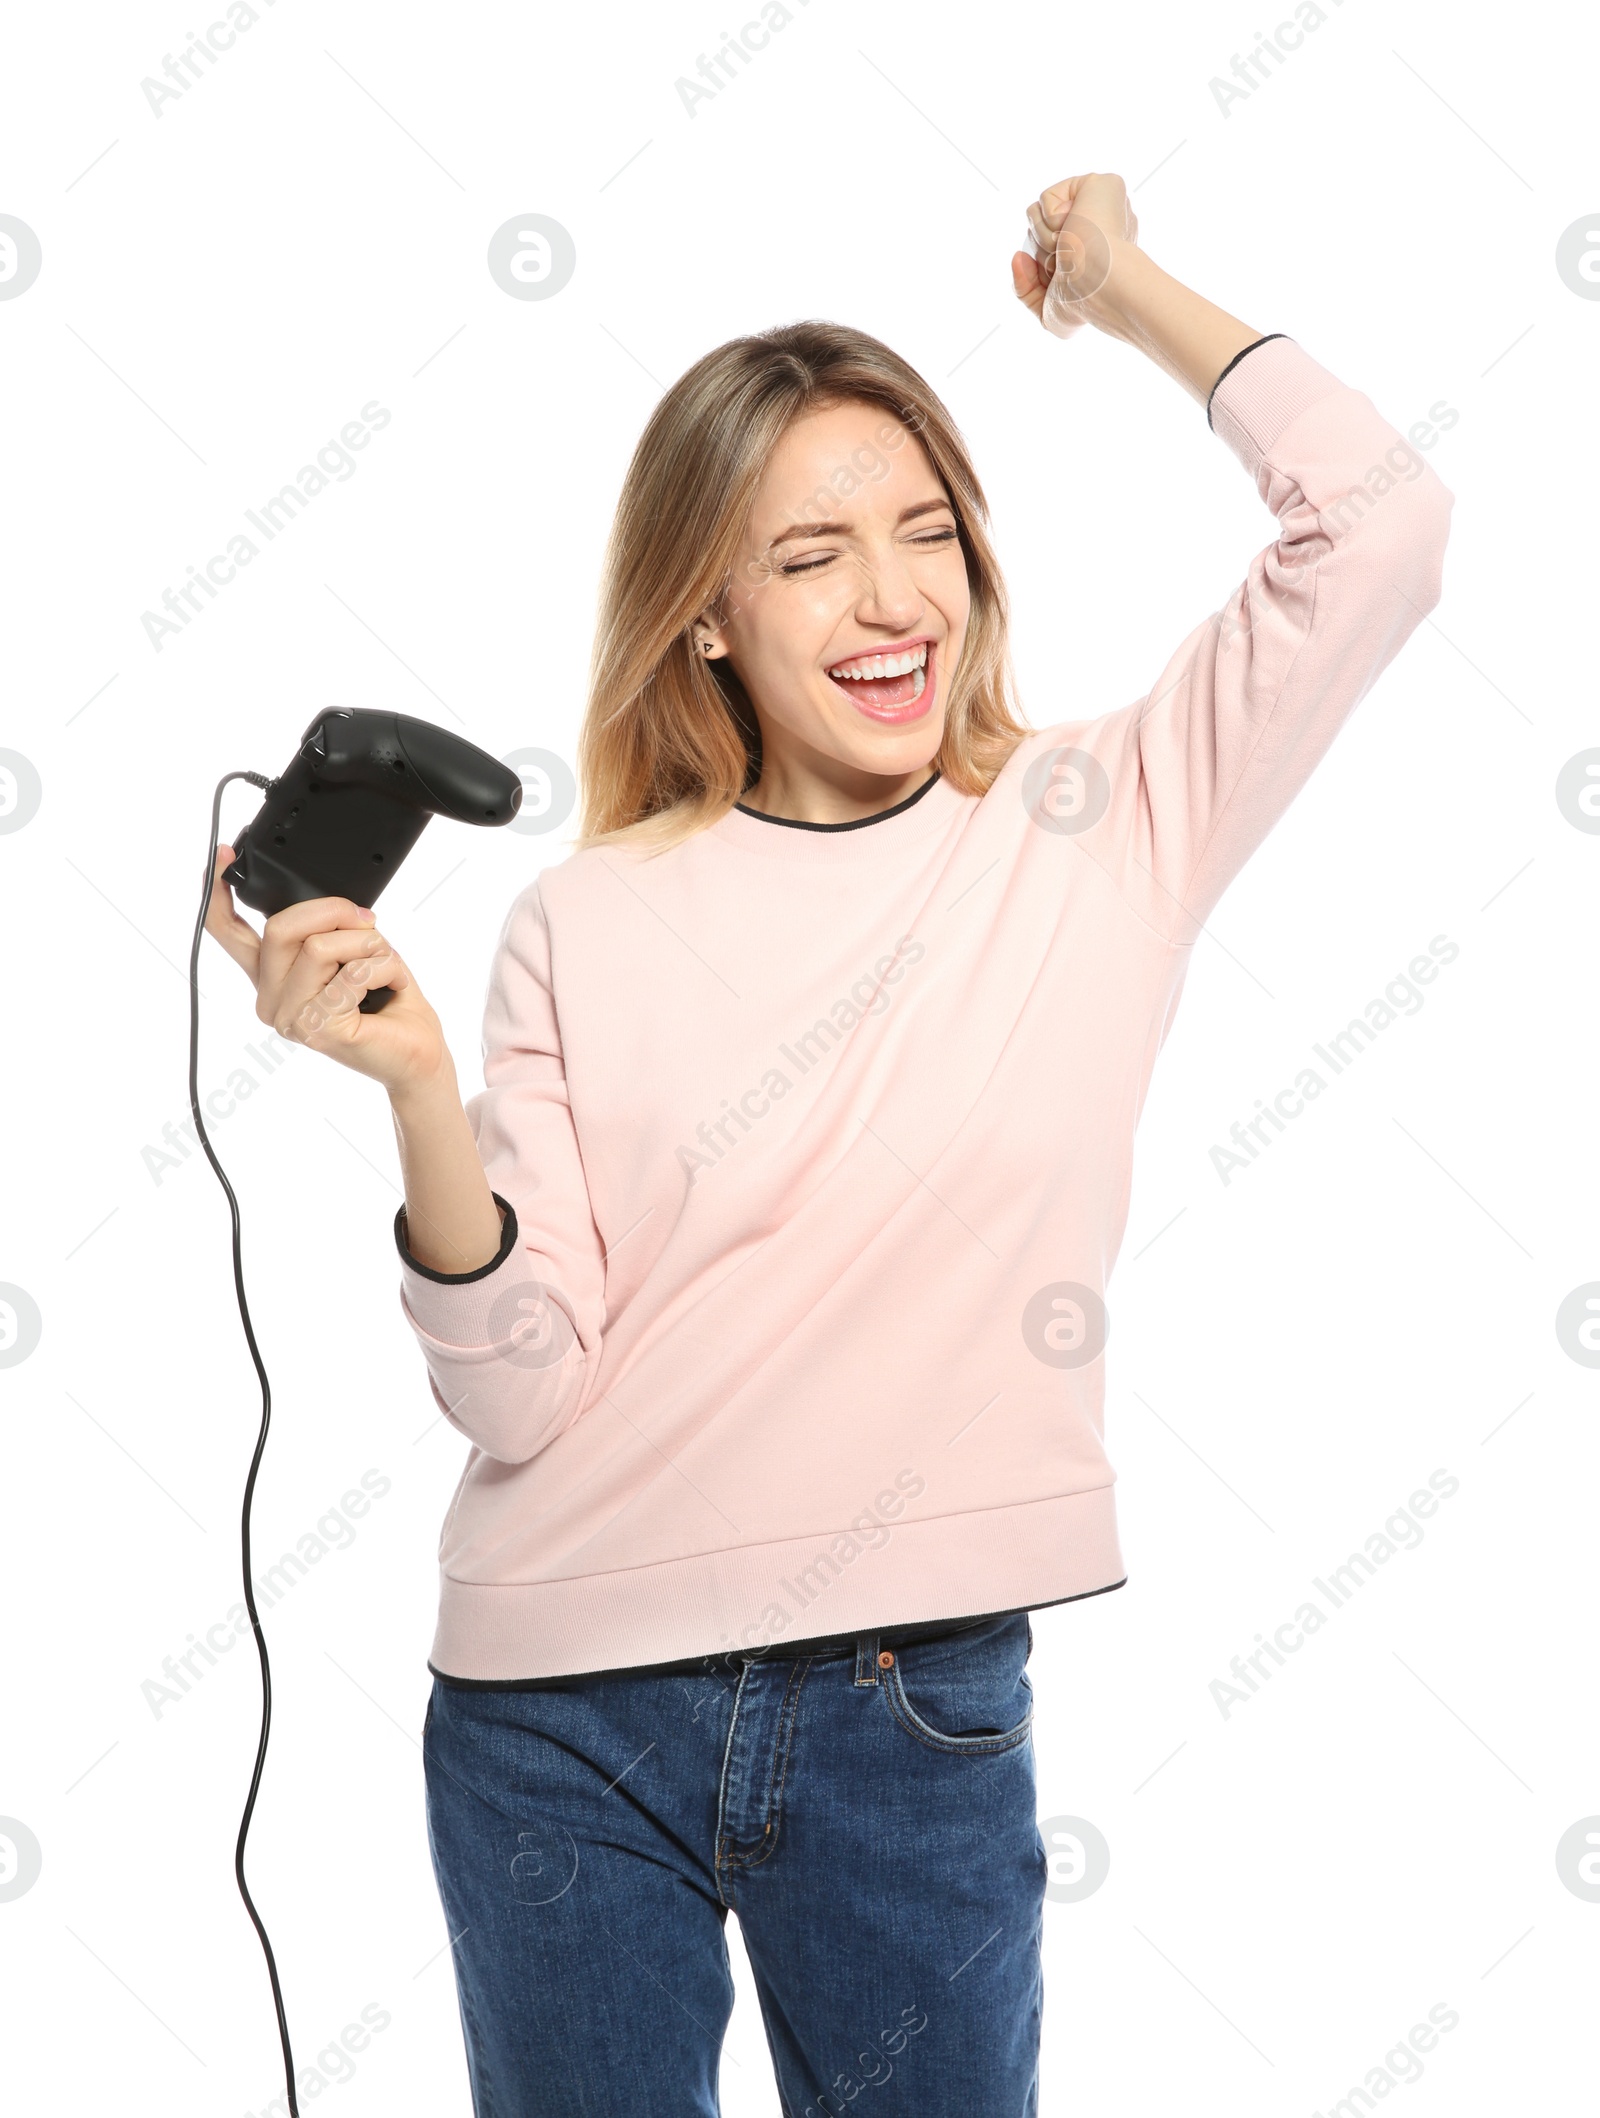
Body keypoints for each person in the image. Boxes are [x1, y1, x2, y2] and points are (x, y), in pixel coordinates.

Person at [206, 171, 1453, 2117]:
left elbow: (1378, 529)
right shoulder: (586, 917)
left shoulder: (1100, 820)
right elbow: (520, 1391)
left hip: (912, 1713)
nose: (890, 602)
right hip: (555, 1719)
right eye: (808, 557)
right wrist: (419, 1096)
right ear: (703, 615)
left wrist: (1125, 297)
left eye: (925, 534)